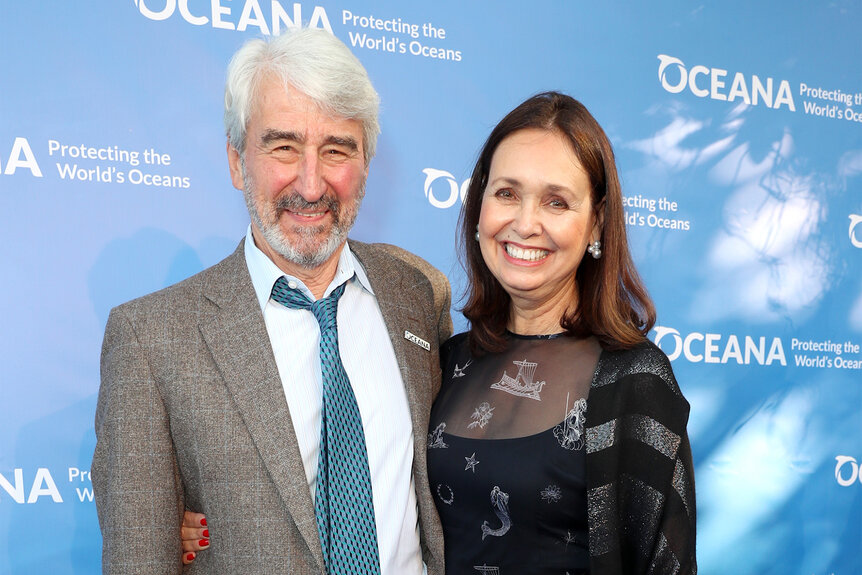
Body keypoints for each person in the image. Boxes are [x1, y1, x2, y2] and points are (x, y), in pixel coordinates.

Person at [183, 91, 697, 573]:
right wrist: (208, 525)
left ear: (597, 223)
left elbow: (663, 560)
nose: (524, 223)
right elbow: (365, 485)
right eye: (507, 193)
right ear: (478, 207)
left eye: (557, 202)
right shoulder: (446, 359)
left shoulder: (633, 380)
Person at [92, 27, 450, 575]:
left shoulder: (418, 294)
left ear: (366, 167)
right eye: (283, 146)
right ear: (238, 162)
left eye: (336, 150)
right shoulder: (151, 339)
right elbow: (138, 558)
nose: (310, 185)